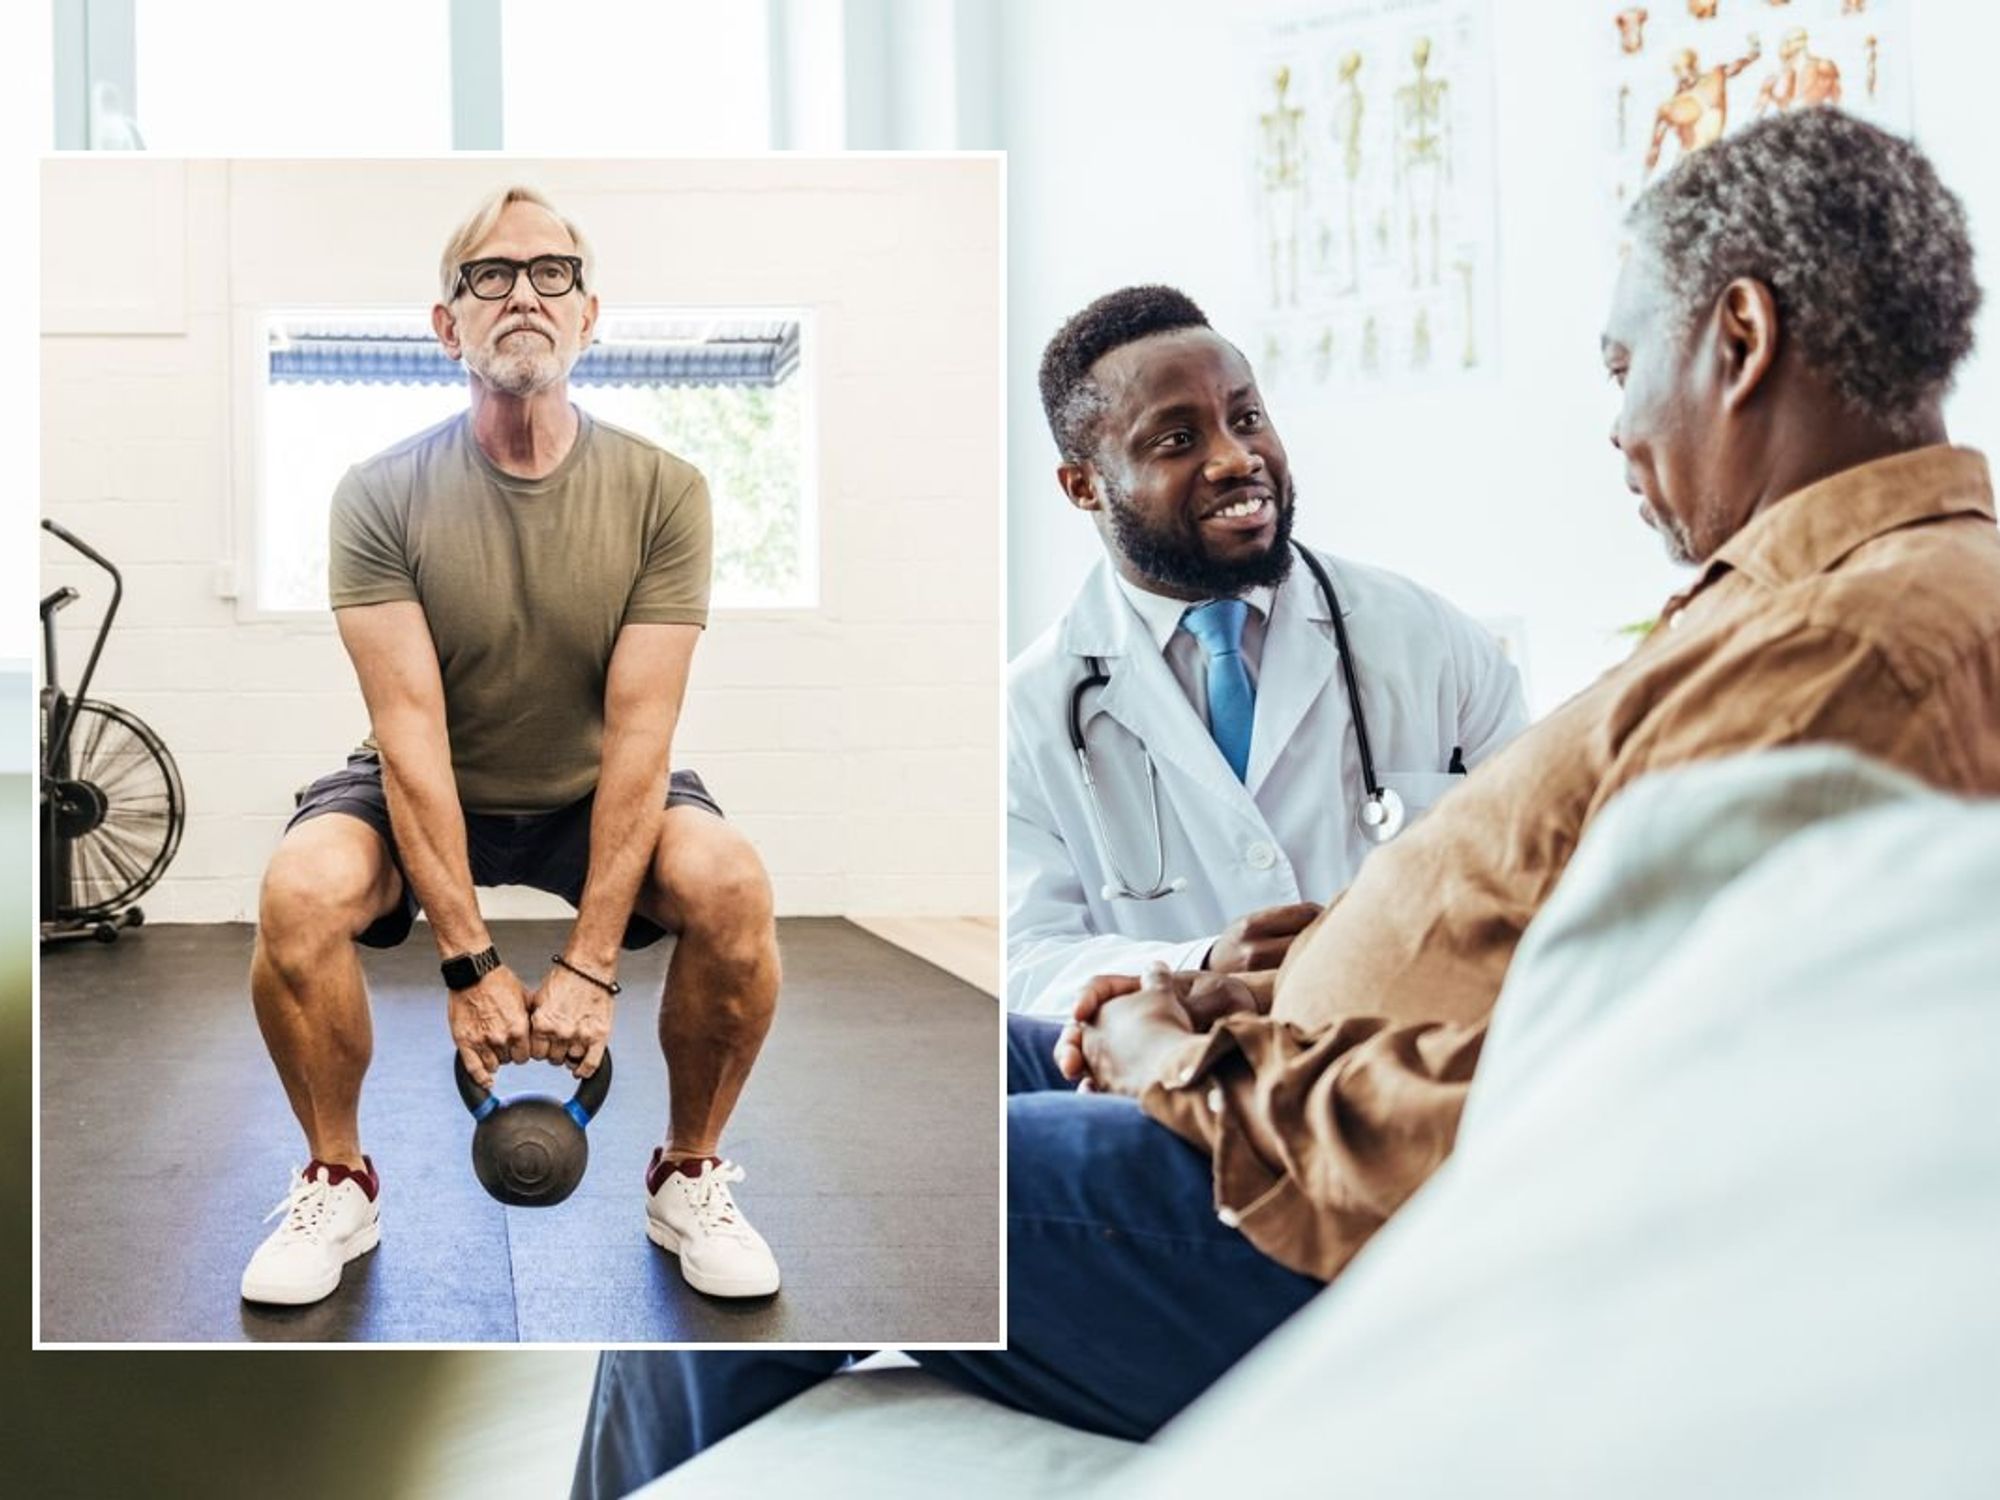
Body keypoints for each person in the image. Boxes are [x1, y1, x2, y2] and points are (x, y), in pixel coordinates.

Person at [571, 108, 1997, 1496]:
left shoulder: (1849, 656)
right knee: (814, 1102)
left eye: (1626, 363)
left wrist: (1175, 1060)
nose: (1618, 426)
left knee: (782, 1201)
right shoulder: (1798, 611)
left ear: (1738, 342)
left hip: (1313, 1193)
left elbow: (1580, 1095)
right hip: (1273, 1077)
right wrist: (1192, 994)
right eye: (1180, 437)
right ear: (1085, 484)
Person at [239, 187, 784, 1308]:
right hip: (427, 785)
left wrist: (586, 968)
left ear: (590, 316)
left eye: (551, 273)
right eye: (489, 275)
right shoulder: (378, 494)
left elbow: (641, 734)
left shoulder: (664, 492)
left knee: (731, 885)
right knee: (297, 892)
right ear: (448, 326)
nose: (522, 292)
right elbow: (411, 739)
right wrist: (473, 967)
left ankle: (687, 1171)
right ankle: (337, 1176)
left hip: (596, 789)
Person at [1007, 286, 1526, 1016]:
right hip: (1167, 1091)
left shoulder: (1430, 640)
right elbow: (1025, 957)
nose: (1235, 458)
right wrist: (1202, 965)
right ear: (1083, 485)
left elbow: (1534, 869)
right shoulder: (1028, 712)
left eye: (1246, 418)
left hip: (1414, 1066)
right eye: (1177, 440)